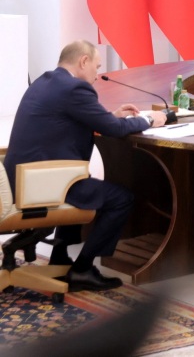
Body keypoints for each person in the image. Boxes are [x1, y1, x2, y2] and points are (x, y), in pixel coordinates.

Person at [3, 40, 168, 292]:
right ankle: (82, 270)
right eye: (97, 66)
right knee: (119, 198)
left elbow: (69, 121)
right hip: (42, 185)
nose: (97, 74)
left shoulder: (44, 82)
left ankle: (60, 257)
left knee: (81, 184)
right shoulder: (74, 88)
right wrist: (149, 119)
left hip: (22, 179)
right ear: (83, 61)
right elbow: (113, 130)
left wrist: (110, 116)